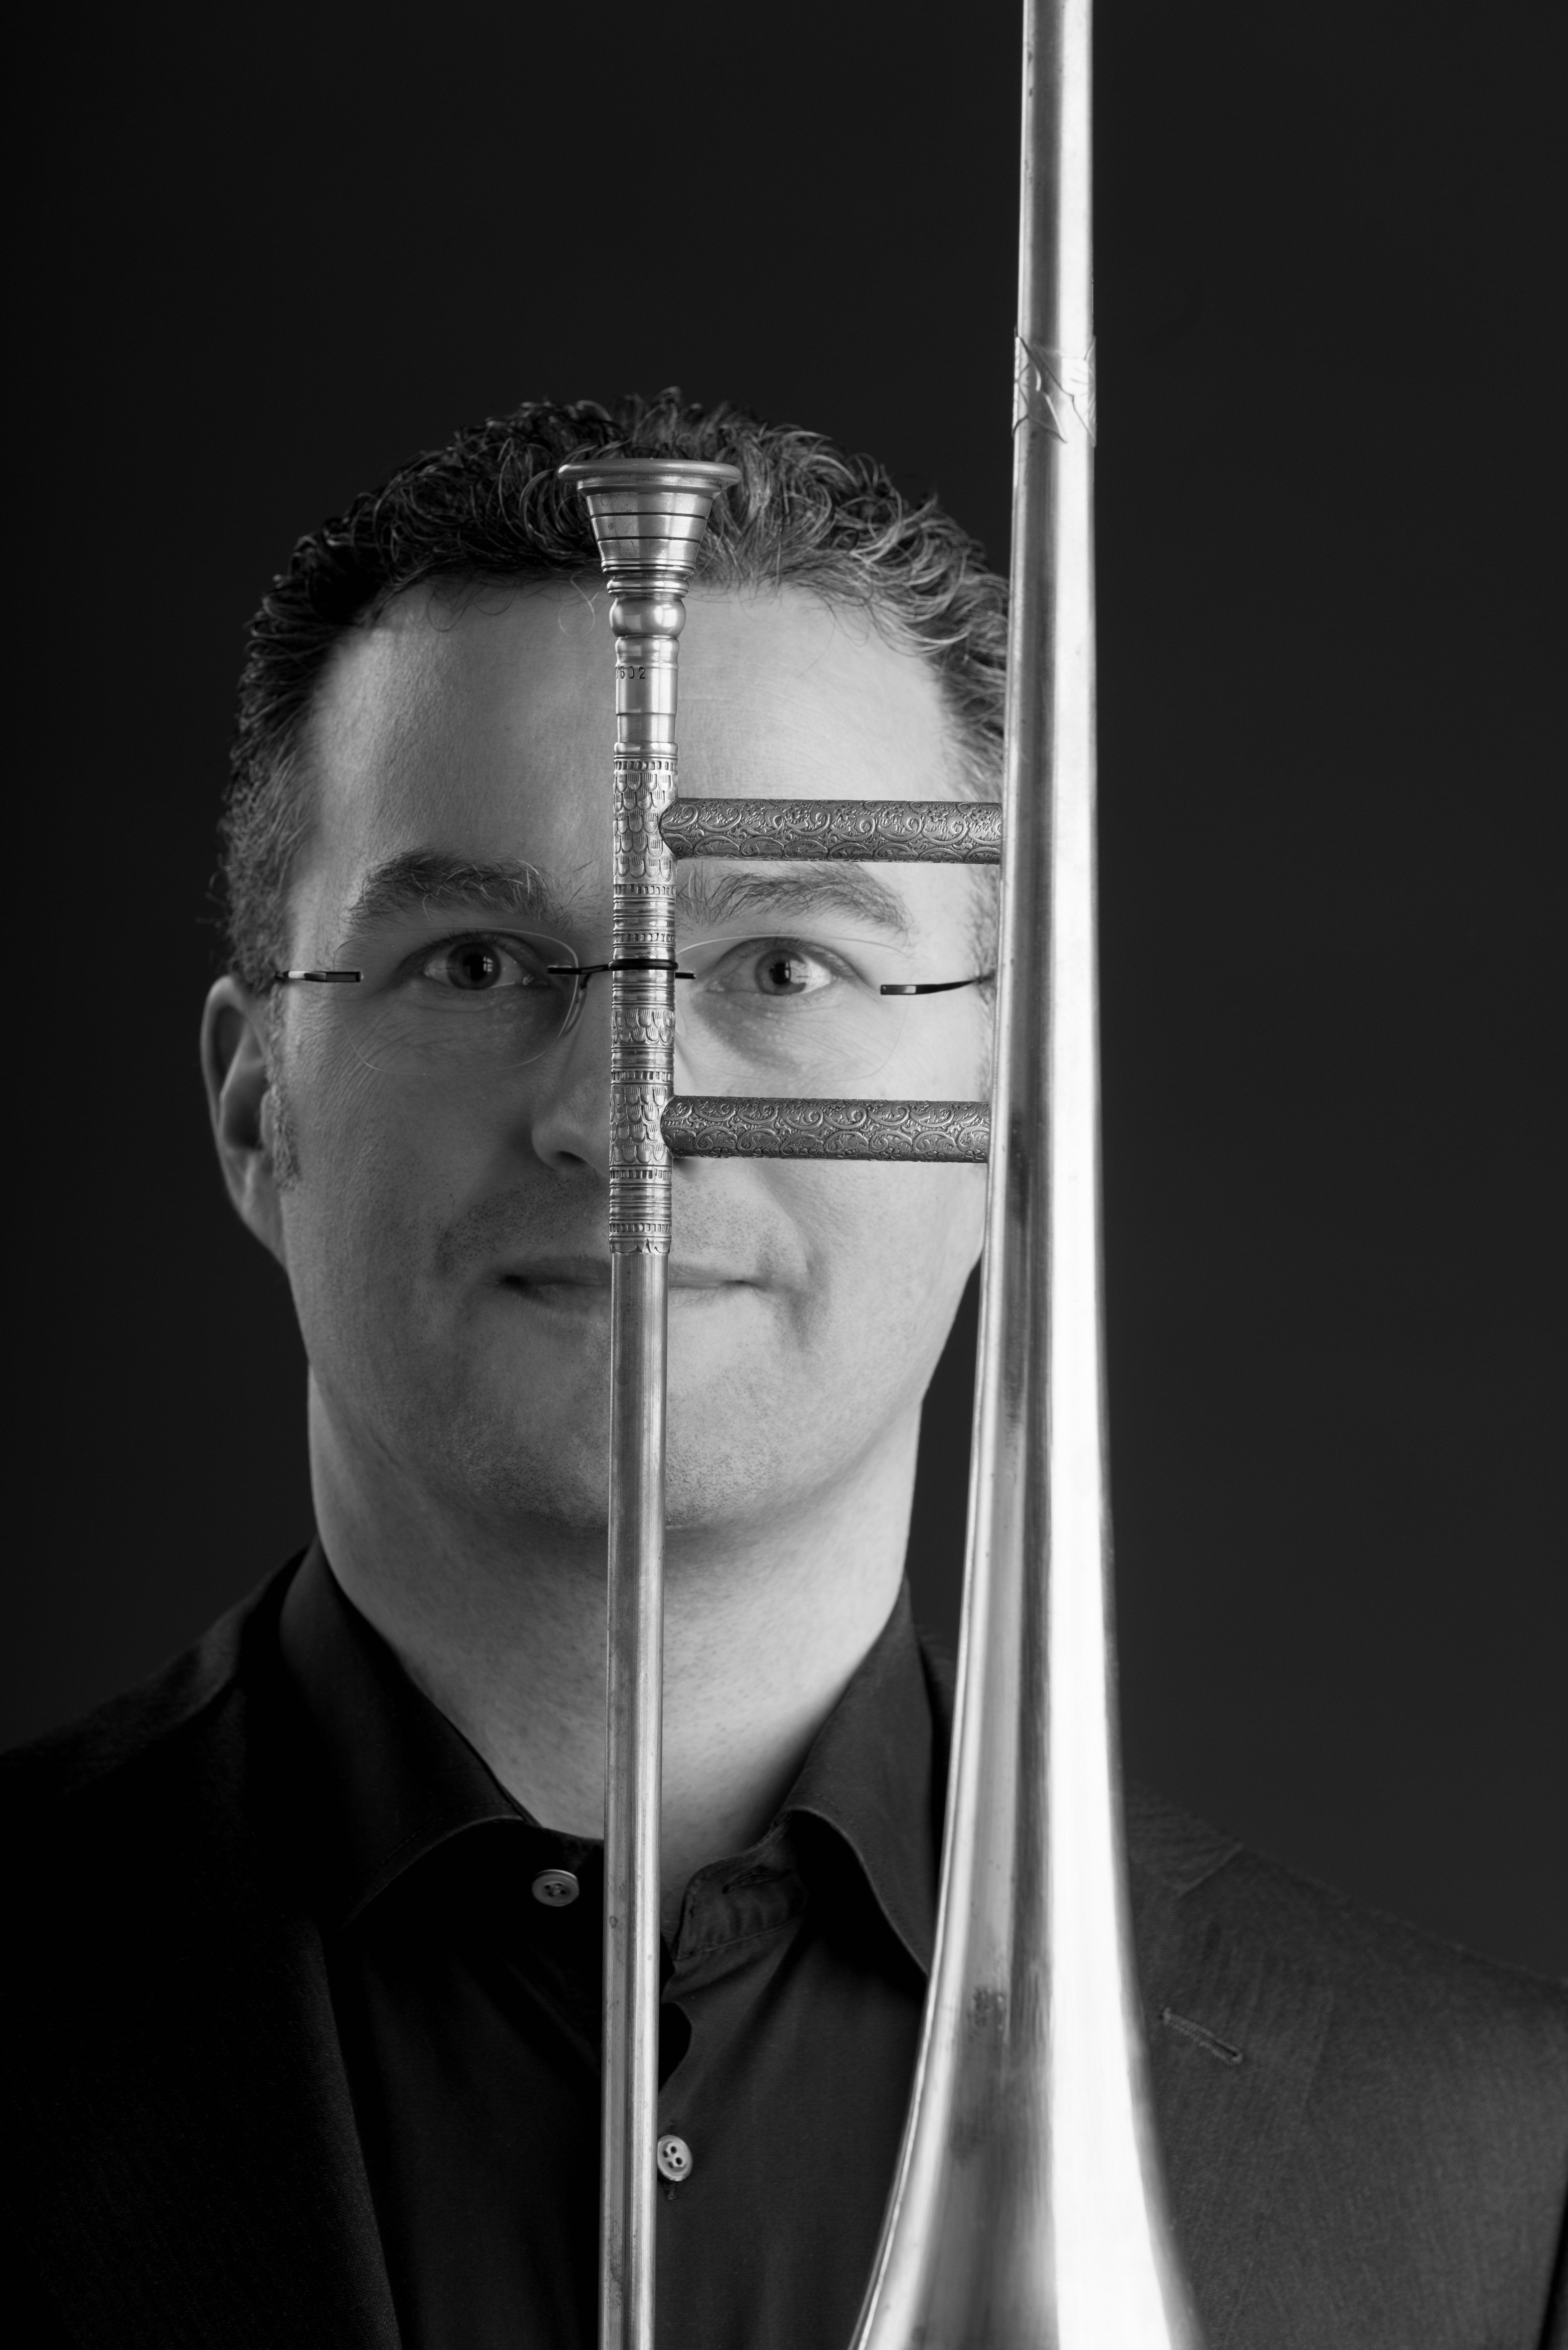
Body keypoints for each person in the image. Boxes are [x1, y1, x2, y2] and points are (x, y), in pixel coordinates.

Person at [5, 392, 1563, 2350]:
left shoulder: (1490, 2165)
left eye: (783, 968)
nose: (621, 1120)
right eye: (476, 962)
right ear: (260, 1111)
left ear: (1013, 1111)